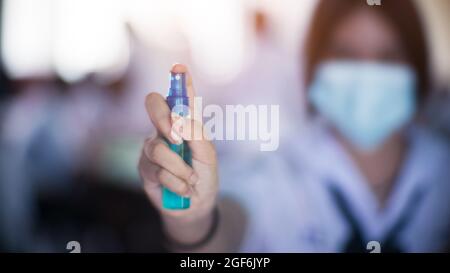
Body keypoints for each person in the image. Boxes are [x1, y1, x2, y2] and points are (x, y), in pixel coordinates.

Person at [138, 0, 450, 252]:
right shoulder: (277, 173)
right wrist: (193, 221)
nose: (367, 73)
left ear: (417, 69)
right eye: (346, 54)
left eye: (387, 56)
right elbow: (225, 233)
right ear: (315, 65)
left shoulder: (442, 169)